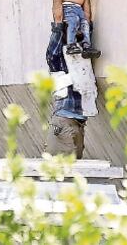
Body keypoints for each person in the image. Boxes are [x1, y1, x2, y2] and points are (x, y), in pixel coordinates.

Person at [44, 15, 88, 158]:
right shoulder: (58, 60)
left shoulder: (81, 55)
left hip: (77, 124)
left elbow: (87, 27)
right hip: (64, 123)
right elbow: (57, 35)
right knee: (60, 174)